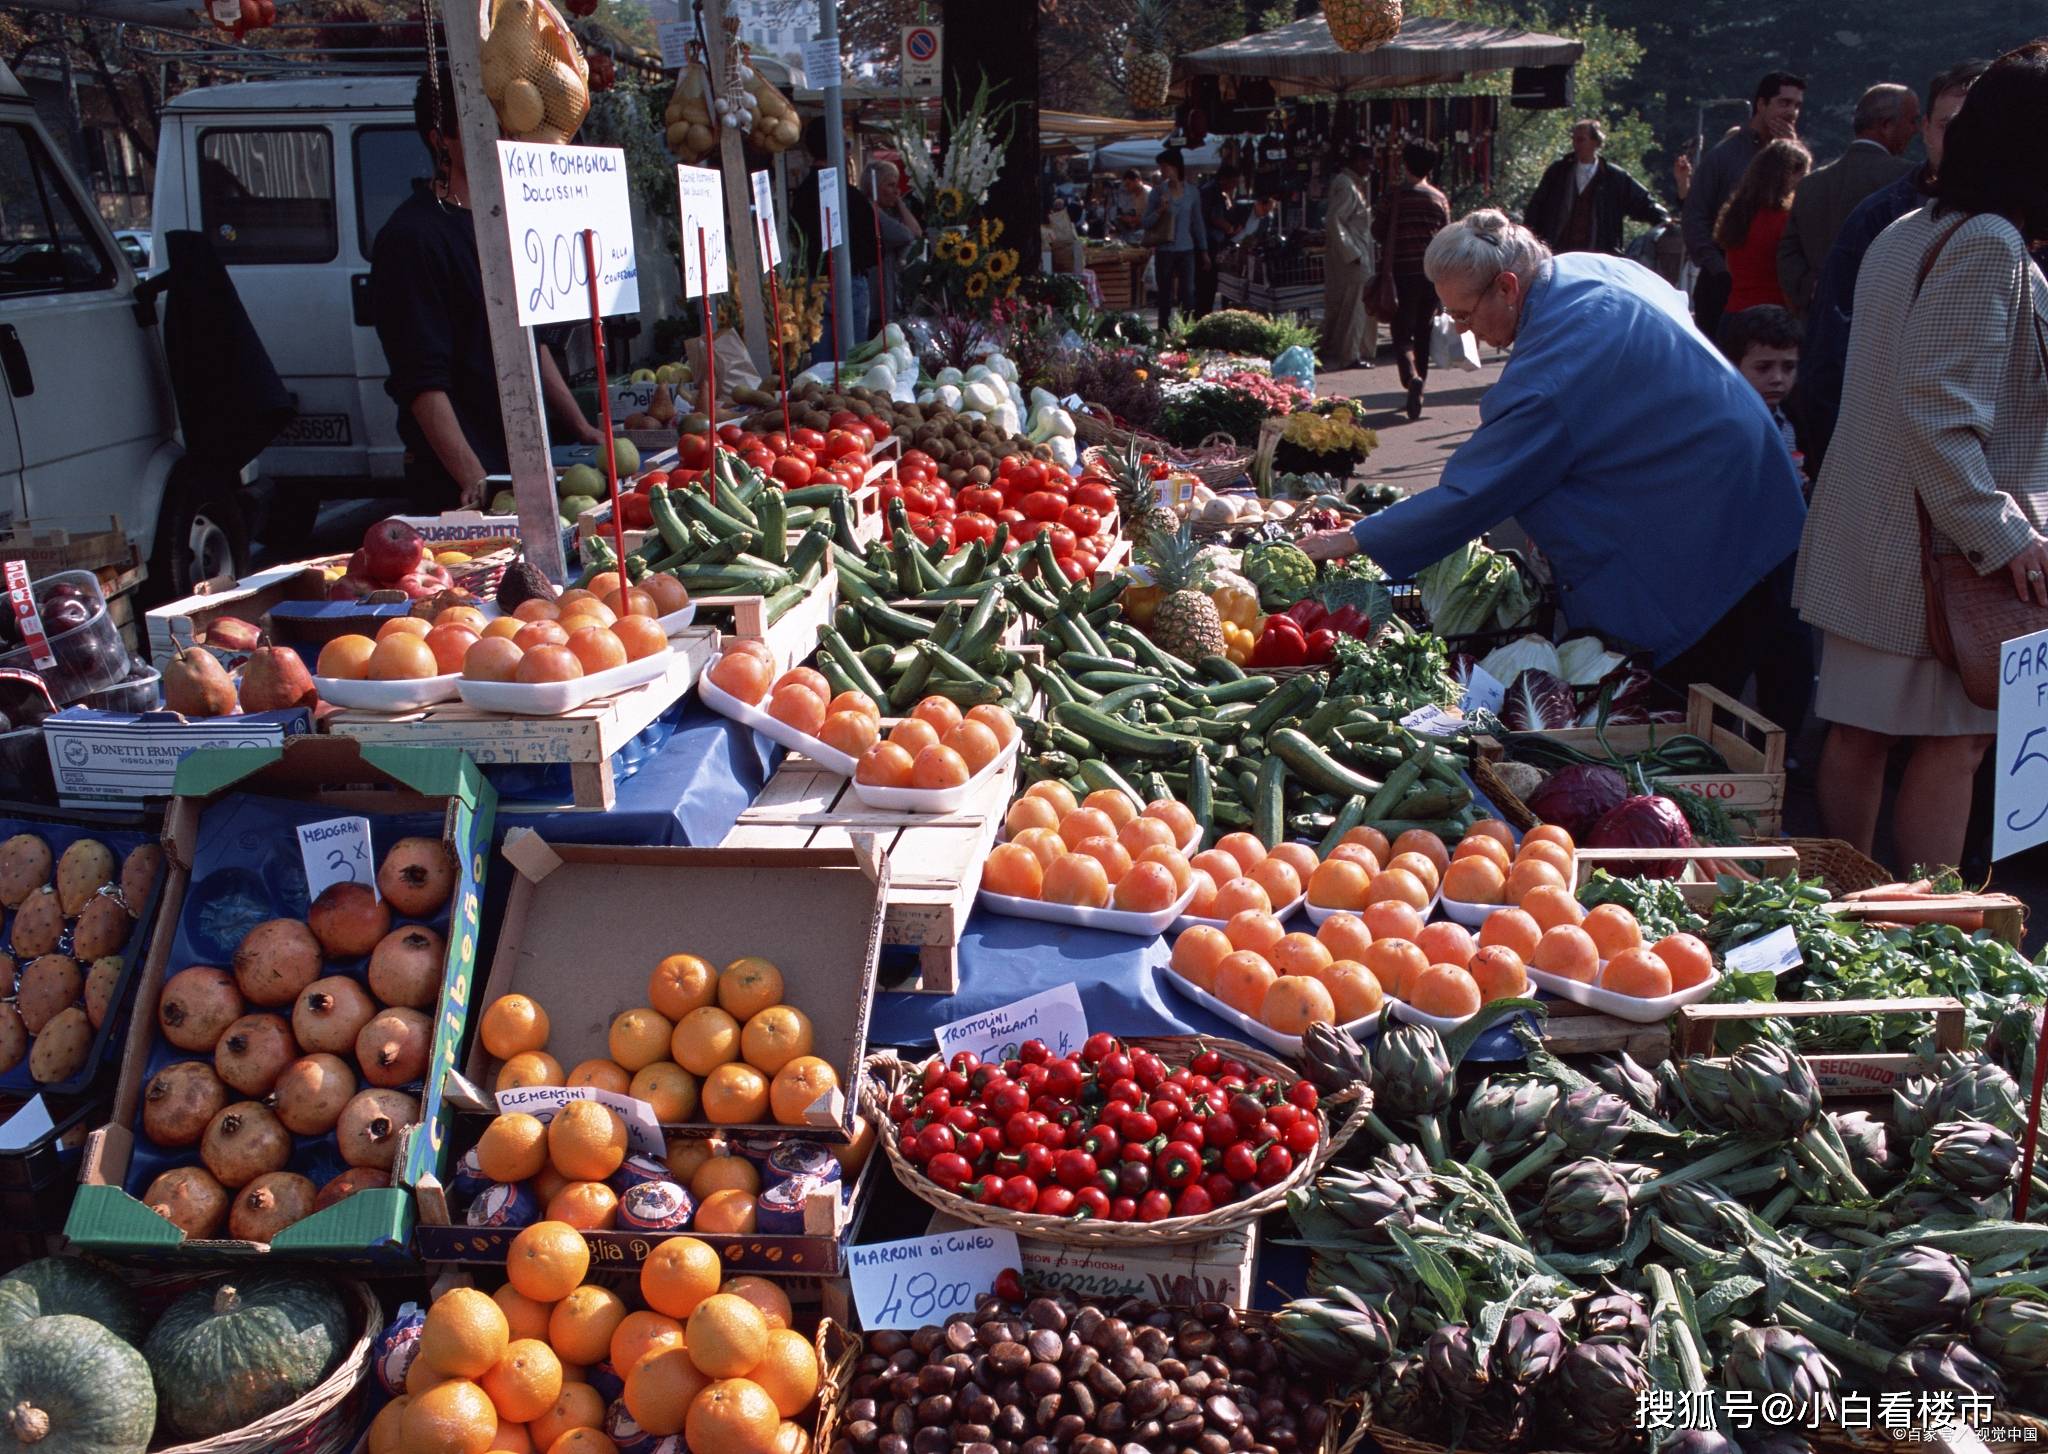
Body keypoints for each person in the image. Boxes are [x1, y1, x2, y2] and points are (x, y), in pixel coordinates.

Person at [1296, 210, 1807, 701]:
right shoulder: (1587, 268)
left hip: (1707, 540)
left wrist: (1355, 538)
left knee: (1689, 713)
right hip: (1754, 494)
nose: (1464, 329)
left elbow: (1473, 492)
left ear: (1507, 287)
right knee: (1760, 693)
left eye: (1463, 314)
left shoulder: (1554, 372)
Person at [1793, 42, 2048, 872]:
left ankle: (1849, 908)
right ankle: (1926, 934)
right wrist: (2006, 537)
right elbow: (1938, 413)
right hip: (1937, 552)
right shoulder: (1988, 243)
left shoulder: (1912, 227)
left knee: (1864, 735)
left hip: (1881, 540)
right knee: (1958, 742)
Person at [370, 67, 598, 509]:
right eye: (489, 126)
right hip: (457, 483)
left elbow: (531, 341)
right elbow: (422, 385)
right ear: (442, 140)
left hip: (526, 461)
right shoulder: (412, 238)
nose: (509, 139)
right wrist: (479, 485)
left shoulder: (504, 222)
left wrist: (581, 429)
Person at [1800, 61, 1987, 466]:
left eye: (1975, 127)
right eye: (1948, 126)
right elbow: (1831, 347)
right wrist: (1836, 459)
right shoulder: (1882, 218)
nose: (1961, 141)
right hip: (1889, 454)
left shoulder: (2030, 224)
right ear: (1924, 128)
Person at [1775, 83, 1918, 314]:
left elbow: (1788, 252)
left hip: (1821, 322)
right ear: (1887, 125)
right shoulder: (1907, 179)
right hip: (1883, 320)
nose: (1916, 130)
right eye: (1912, 121)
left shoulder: (1811, 185)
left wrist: (1810, 291)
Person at [1684, 71, 1805, 340]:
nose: (1792, 112)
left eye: (1797, 105)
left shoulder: (1794, 161)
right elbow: (1695, 216)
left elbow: (1805, 209)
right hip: (1725, 287)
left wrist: (1793, 150)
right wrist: (1719, 269)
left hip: (1777, 288)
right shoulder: (1725, 157)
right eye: (1784, 103)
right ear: (1761, 105)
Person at [1372, 141, 1452, 420]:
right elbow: (1446, 239)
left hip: (1400, 274)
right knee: (1424, 330)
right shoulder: (1439, 198)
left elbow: (1377, 230)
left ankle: (1411, 377)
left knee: (1401, 332)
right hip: (1430, 275)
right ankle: (1421, 386)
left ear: (1404, 164)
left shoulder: (1393, 196)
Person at [789, 118, 877, 361]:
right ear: (840, 148)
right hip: (850, 283)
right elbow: (871, 246)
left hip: (814, 284)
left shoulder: (802, 193)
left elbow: (796, 238)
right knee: (852, 366)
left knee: (822, 369)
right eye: (847, 144)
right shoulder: (851, 196)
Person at [1524, 119, 1668, 255]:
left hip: (1597, 254)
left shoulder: (1614, 177)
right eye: (1574, 139)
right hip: (1559, 250)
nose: (1576, 145)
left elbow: (1641, 202)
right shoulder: (1558, 172)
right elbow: (1536, 207)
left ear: (1595, 142)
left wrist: (1664, 219)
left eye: (1581, 140)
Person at [1715, 138, 1811, 312]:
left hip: (1735, 313)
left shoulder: (1736, 214)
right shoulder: (1786, 220)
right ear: (1789, 175)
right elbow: (1789, 276)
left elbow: (1730, 267)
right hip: (1773, 318)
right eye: (1803, 175)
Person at [1717, 305, 1811, 475]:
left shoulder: (1793, 419)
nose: (1778, 379)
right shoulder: (1725, 424)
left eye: (1788, 367)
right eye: (1763, 368)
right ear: (1734, 366)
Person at [1319, 145, 1377, 370]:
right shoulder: (1346, 185)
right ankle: (1350, 355)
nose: (1370, 167)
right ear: (1356, 160)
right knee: (1355, 307)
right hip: (1353, 257)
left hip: (1356, 255)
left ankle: (1342, 350)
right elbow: (1334, 220)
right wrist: (1351, 253)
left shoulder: (1352, 184)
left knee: (1347, 306)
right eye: (1366, 162)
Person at [1140, 148, 1208, 330]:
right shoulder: (1157, 192)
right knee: (1164, 295)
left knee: (1188, 293)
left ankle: (1188, 331)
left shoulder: (1192, 192)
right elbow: (1146, 222)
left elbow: (1197, 223)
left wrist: (1204, 251)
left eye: (1164, 167)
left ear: (1175, 167)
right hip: (1164, 250)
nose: (1162, 171)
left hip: (1187, 250)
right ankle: (1164, 331)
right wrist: (1159, 211)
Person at [865, 159, 922, 334]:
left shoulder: (888, 211)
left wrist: (899, 203)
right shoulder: (872, 211)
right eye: (890, 185)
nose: (896, 191)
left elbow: (917, 232)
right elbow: (905, 235)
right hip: (875, 292)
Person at [1197, 166, 1241, 314]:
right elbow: (1215, 218)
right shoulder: (1212, 191)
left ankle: (1203, 313)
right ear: (1224, 179)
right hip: (1210, 244)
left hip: (1212, 242)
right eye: (1234, 182)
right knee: (1207, 286)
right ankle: (1202, 316)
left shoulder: (1214, 190)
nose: (1235, 186)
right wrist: (1230, 229)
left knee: (1208, 286)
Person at [1113, 168, 1150, 244]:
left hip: (1148, 234)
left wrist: (1131, 219)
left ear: (1136, 181)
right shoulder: (1134, 195)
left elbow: (1149, 218)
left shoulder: (1147, 194)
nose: (1127, 188)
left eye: (1128, 184)